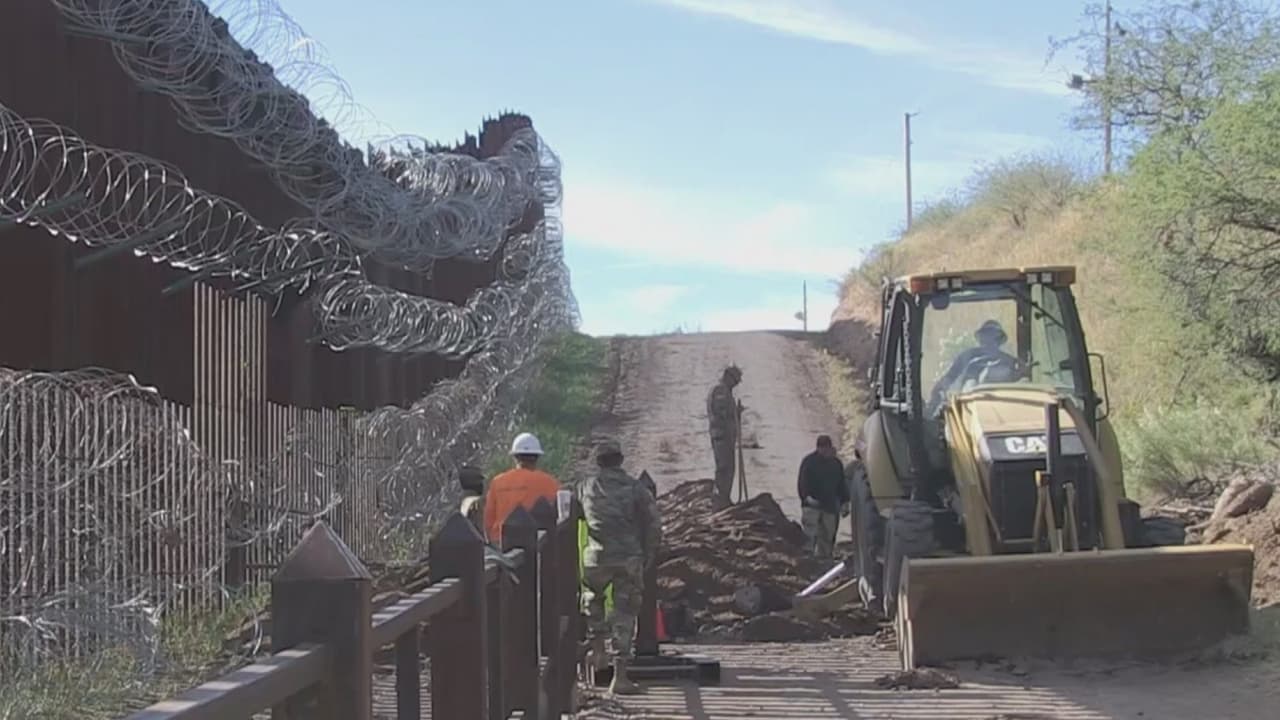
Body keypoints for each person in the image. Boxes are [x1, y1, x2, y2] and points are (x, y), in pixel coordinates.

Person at [579, 439, 661, 695]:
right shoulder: (636, 488)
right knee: (625, 613)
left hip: (596, 557)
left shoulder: (585, 486)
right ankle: (620, 677)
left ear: (597, 462)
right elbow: (654, 523)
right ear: (620, 460)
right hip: (628, 558)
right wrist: (649, 554)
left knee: (593, 597)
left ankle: (598, 647)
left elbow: (572, 511)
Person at [928, 319, 1026, 414]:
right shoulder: (967, 357)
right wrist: (935, 398)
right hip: (968, 405)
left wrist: (1022, 372)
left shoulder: (1010, 362)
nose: (989, 340)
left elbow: (1019, 383)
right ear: (980, 338)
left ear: (999, 340)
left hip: (1003, 406)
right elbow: (948, 379)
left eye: (993, 336)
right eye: (986, 335)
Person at [483, 432, 562, 543]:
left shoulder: (497, 482)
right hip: (537, 544)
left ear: (515, 457)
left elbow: (488, 519)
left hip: (500, 543)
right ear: (537, 457)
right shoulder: (550, 483)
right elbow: (561, 517)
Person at [797, 434, 848, 559]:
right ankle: (808, 557)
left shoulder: (836, 464)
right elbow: (802, 482)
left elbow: (841, 484)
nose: (826, 451)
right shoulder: (809, 462)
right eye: (823, 448)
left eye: (828, 448)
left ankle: (824, 559)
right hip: (811, 504)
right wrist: (806, 497)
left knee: (827, 534)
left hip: (830, 506)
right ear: (818, 448)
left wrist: (845, 502)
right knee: (810, 532)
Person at [706, 364, 742, 502]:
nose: (736, 384)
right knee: (724, 469)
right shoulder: (720, 391)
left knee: (728, 468)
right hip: (722, 436)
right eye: (735, 381)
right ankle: (721, 499)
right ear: (728, 377)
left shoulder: (724, 390)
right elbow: (721, 413)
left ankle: (724, 497)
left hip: (725, 436)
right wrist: (734, 413)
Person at [457, 464, 486, 534]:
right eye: (480, 481)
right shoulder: (477, 503)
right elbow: (484, 528)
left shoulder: (461, 503)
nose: (483, 484)